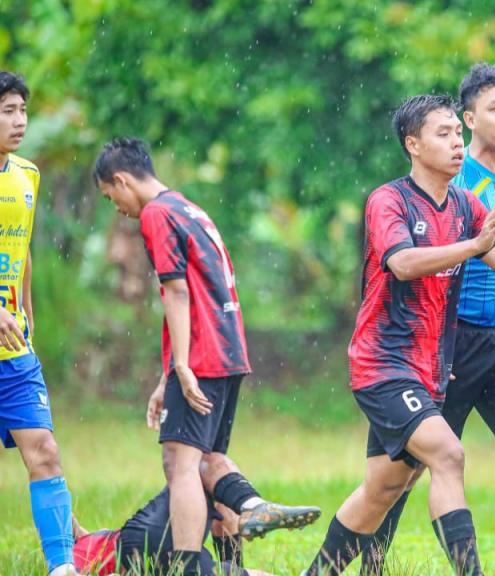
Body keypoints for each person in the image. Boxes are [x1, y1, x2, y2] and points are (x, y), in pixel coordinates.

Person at [303, 94, 495, 576]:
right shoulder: (389, 200)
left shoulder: (466, 204)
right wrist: (472, 245)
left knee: (382, 489)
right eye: (443, 134)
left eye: (455, 133)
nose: (456, 144)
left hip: (430, 369)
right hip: (382, 363)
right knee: (448, 455)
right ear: (413, 145)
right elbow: (402, 264)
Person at [93, 138, 320, 575]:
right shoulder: (188, 209)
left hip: (200, 354)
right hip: (228, 350)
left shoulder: (157, 215)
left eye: (111, 196)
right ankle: (240, 542)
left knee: (180, 465)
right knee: (205, 461)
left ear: (121, 180)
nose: (116, 207)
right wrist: (167, 376)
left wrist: (181, 365)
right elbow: (203, 289)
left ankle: (188, 568)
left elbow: (176, 291)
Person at [0, 71, 78, 576]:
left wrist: (26, 318)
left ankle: (62, 567)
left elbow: (23, 253)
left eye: (23, 110)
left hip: (14, 350)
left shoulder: (26, 175)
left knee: (44, 450)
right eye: (8, 110)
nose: (20, 121)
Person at [72, 455, 291, 576]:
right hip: (140, 545)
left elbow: (63, 517)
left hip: (146, 548)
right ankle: (252, 504)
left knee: (210, 473)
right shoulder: (69, 563)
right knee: (205, 465)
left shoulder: (80, 543)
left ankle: (233, 563)